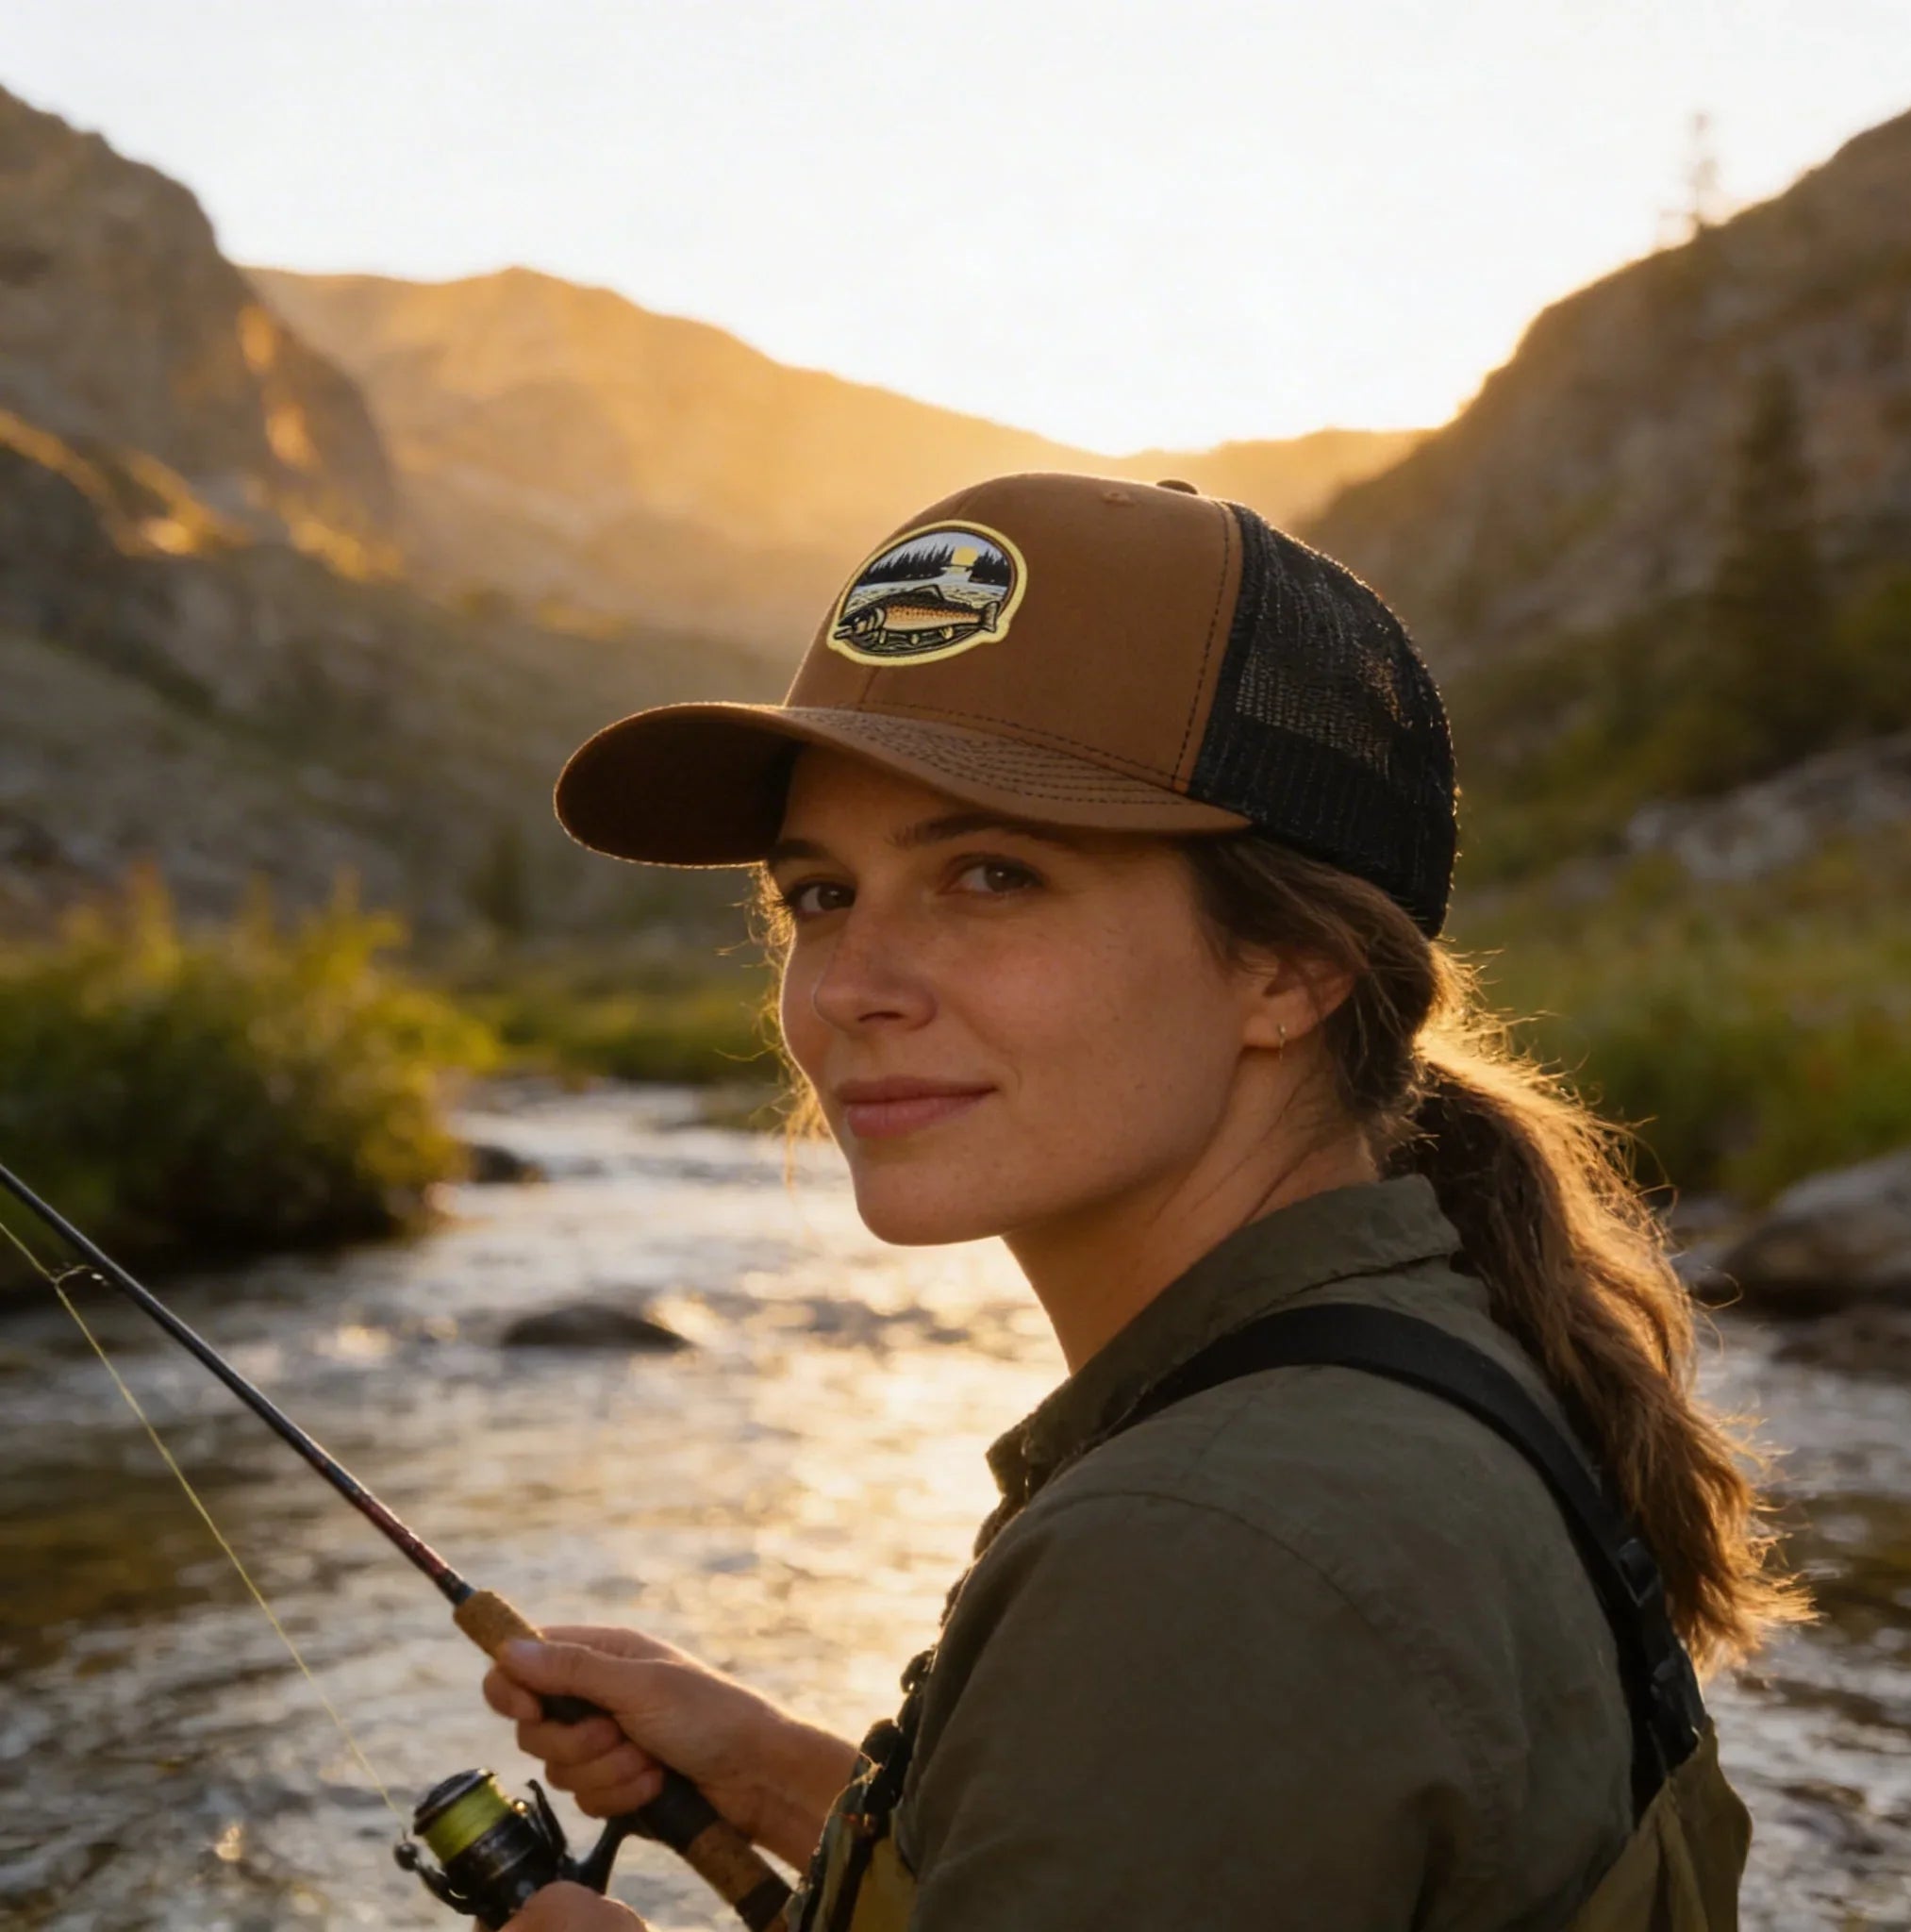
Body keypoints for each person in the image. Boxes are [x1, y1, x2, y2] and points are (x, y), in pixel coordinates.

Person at [479, 474, 1802, 1931]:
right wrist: (777, 1778)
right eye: (821, 894)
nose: (849, 988)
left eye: (991, 875)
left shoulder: (1207, 1551)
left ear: (1294, 969)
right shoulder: (1421, 1363)